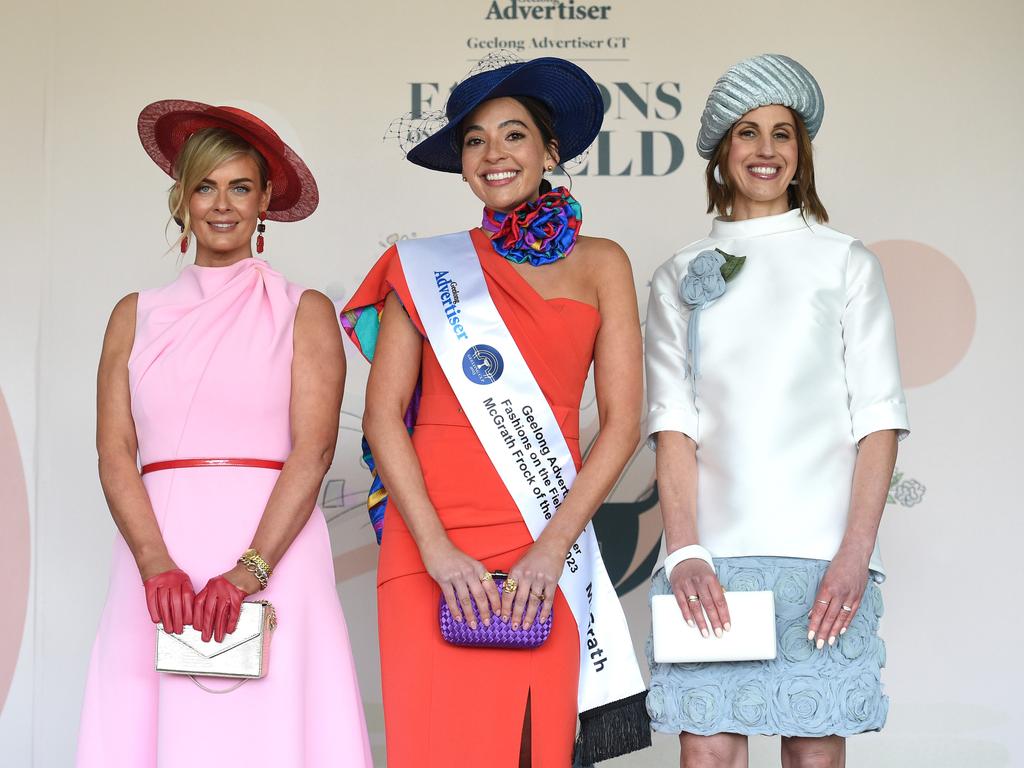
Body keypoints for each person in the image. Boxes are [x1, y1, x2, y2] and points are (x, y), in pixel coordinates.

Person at [341, 55, 650, 767]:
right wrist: (438, 551)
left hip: (544, 536)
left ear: (550, 151)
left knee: (533, 746)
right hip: (428, 546)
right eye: (475, 141)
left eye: (514, 135)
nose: (494, 154)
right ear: (463, 165)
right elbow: (384, 417)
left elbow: (624, 421)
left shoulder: (604, 263)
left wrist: (553, 548)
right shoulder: (421, 267)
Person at [76, 100, 372, 767]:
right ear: (181, 197)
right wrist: (156, 565)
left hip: (276, 553)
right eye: (205, 186)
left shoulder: (306, 311)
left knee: (271, 732)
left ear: (265, 199)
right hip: (156, 555)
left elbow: (314, 449)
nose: (222, 204)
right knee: (149, 724)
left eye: (240, 186)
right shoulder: (135, 315)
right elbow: (114, 450)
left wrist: (250, 569)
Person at [644, 54, 910, 767]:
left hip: (825, 559)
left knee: (814, 754)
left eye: (782, 134)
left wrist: (855, 552)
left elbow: (878, 419)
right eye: (748, 133)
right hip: (713, 557)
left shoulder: (846, 262)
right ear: (721, 152)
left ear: (801, 154)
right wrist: (687, 551)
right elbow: (672, 425)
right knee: (707, 751)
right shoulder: (677, 274)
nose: (765, 150)